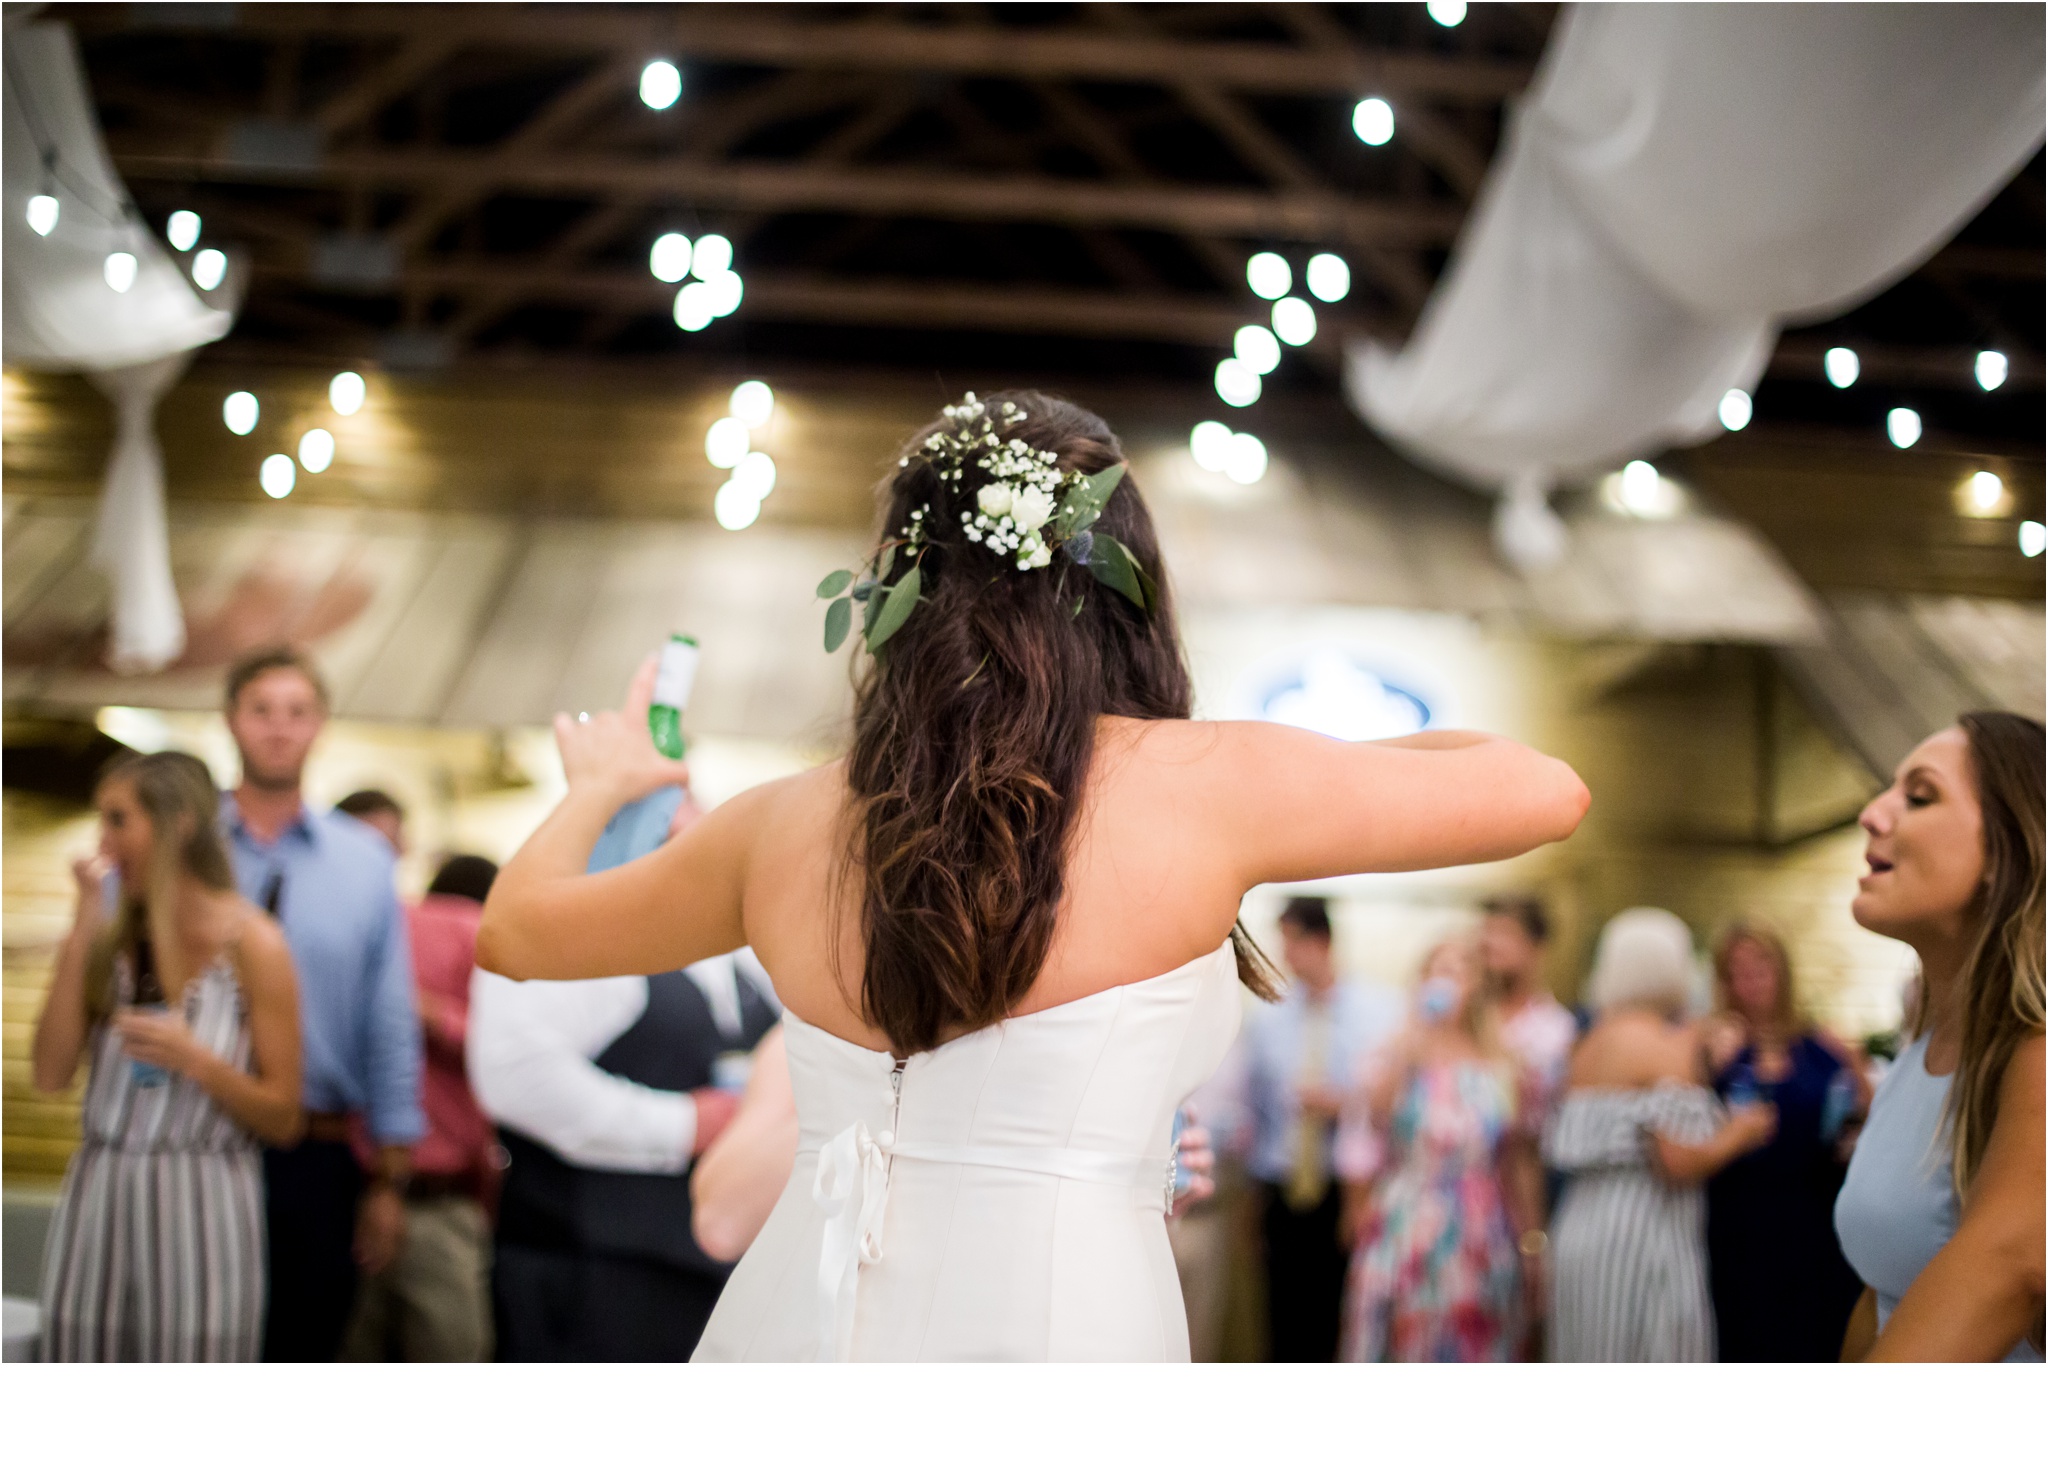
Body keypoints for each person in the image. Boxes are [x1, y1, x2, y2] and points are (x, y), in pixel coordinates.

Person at [478, 389, 1590, 1361]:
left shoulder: (786, 822)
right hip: (1064, 1333)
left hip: (796, 1327)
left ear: (902, 589)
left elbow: (519, 931)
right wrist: (1307, 773)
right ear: (1120, 583)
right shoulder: (1210, 784)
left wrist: (606, 786)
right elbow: (1542, 788)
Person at [33, 752, 303, 1361]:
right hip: (100, 1193)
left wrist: (198, 1062)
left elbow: (285, 1118)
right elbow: (49, 1075)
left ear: (177, 822)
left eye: (118, 820)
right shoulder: (110, 940)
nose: (102, 841)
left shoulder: (253, 944)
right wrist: (81, 921)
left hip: (203, 1200)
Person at [469, 856, 780, 1363]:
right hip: (598, 1265)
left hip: (714, 1268)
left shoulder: (746, 955)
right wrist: (681, 1124)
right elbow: (515, 1074)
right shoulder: (581, 938)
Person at [218, 647, 425, 1362]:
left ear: (320, 726)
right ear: (231, 721)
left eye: (297, 711)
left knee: (300, 1354)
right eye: (262, 709)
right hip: (194, 1142)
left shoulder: (363, 861)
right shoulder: (183, 847)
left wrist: (389, 1179)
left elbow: (390, 1022)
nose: (279, 727)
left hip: (318, 1151)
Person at [1833, 712, 2044, 1362]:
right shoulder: (1922, 1047)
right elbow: (1885, 1292)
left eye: (1919, 796)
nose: (1873, 813)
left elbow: (2012, 1266)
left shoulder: (2035, 1052)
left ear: (2004, 853)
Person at [1544, 907, 1777, 1362]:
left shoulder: (1589, 1043)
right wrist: (1741, 1131)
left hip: (1580, 1231)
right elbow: (1677, 1162)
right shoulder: (1663, 1045)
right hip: (1642, 1237)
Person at [336, 826, 502, 1364]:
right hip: (432, 1200)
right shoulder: (475, 933)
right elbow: (505, 1052)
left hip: (350, 1186)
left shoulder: (380, 926)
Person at [1335, 937, 1543, 1362]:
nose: (1445, 980)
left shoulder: (1504, 1062)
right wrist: (1411, 1043)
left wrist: (1532, 1240)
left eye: (1458, 970)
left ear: (1478, 986)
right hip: (1408, 1216)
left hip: (1480, 1226)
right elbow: (1370, 1124)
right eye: (1436, 970)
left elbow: (1517, 1158)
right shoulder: (1396, 1051)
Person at [1238, 896, 1404, 1360]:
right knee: (1283, 1321)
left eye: (1294, 942)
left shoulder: (1383, 1011)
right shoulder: (1267, 1019)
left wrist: (1346, 1103)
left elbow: (1400, 1100)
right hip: (1283, 1185)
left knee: (1343, 1319)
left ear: (1323, 942)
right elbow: (1257, 1115)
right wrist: (1252, 1205)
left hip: (1351, 1189)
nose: (1287, 955)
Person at [1699, 919, 1869, 1361]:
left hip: (1814, 1223)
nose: (1749, 978)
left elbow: (1867, 1113)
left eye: (1760, 964)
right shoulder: (1713, 1048)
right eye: (1735, 969)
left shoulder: (1822, 1047)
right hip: (1739, 1225)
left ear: (1783, 970)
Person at [1479, 895, 1577, 1134]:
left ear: (1537, 947)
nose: (1491, 944)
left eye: (1505, 933)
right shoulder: (1466, 1017)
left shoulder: (1558, 1029)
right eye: (1487, 932)